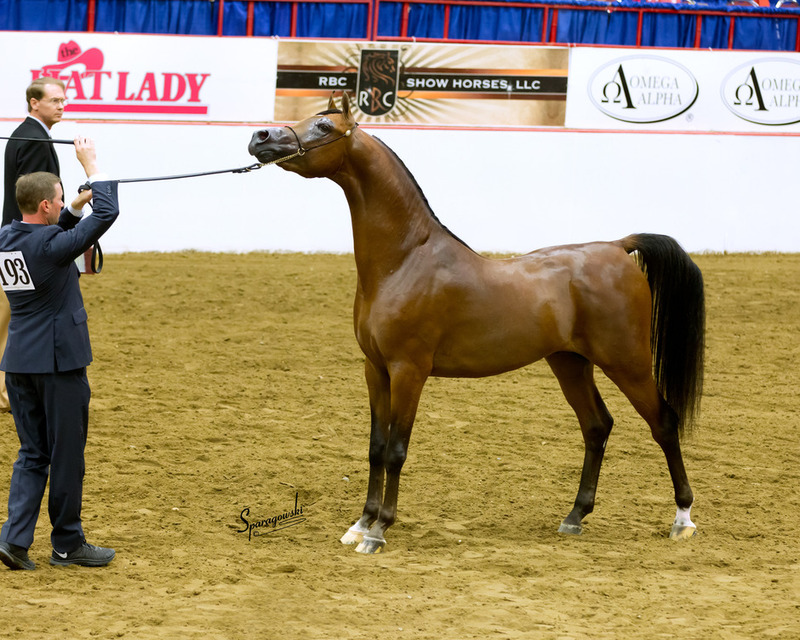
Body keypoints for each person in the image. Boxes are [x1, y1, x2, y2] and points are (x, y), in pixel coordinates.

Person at [0, 136, 119, 570]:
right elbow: (107, 213)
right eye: (61, 199)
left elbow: (49, 238)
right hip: (58, 363)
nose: (64, 203)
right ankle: (67, 543)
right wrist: (92, 166)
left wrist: (73, 209)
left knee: (32, 454)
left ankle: (13, 540)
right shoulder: (50, 246)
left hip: (19, 361)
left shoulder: (7, 238)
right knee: (67, 455)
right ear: (46, 205)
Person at [0, 77, 67, 412]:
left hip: (13, 240)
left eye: (63, 100)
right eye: (55, 100)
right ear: (34, 103)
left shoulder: (25, 134)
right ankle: (5, 393)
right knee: (14, 316)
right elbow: (37, 202)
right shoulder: (36, 139)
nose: (61, 106)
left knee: (9, 315)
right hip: (27, 244)